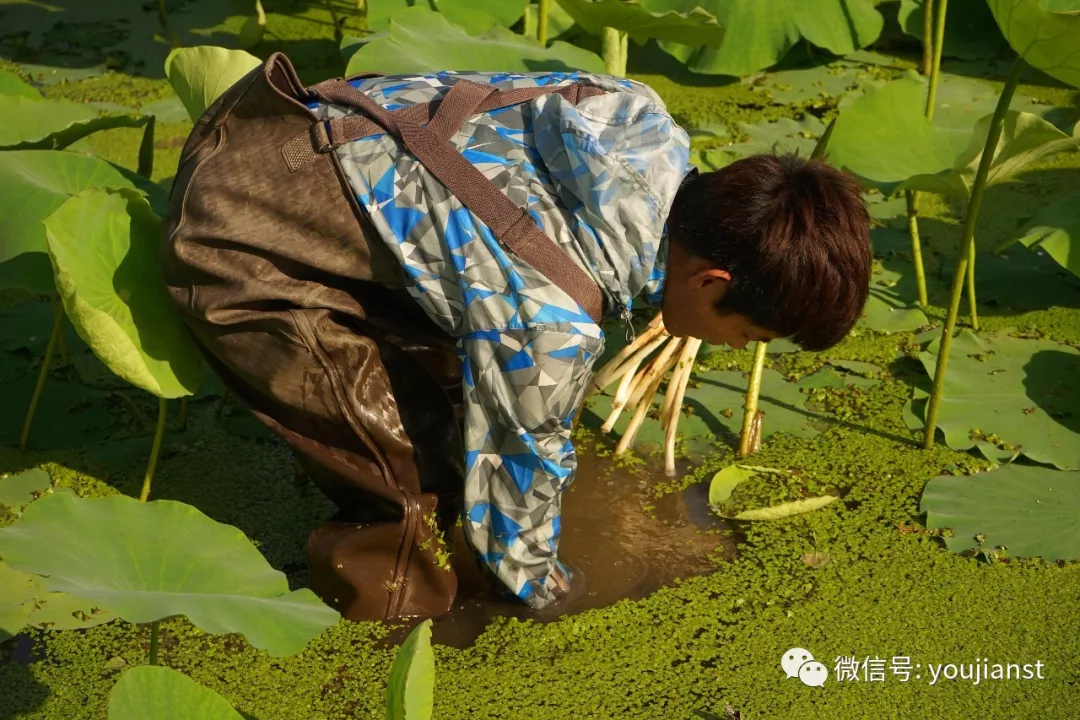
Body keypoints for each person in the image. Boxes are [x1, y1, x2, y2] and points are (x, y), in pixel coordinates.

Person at [161, 53, 872, 623]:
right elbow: (516, 506)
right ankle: (389, 644)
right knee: (414, 493)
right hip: (237, 231)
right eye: (747, 335)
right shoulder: (550, 318)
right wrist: (551, 598)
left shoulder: (632, 114)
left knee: (458, 386)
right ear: (712, 280)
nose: (741, 351)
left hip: (272, 120)